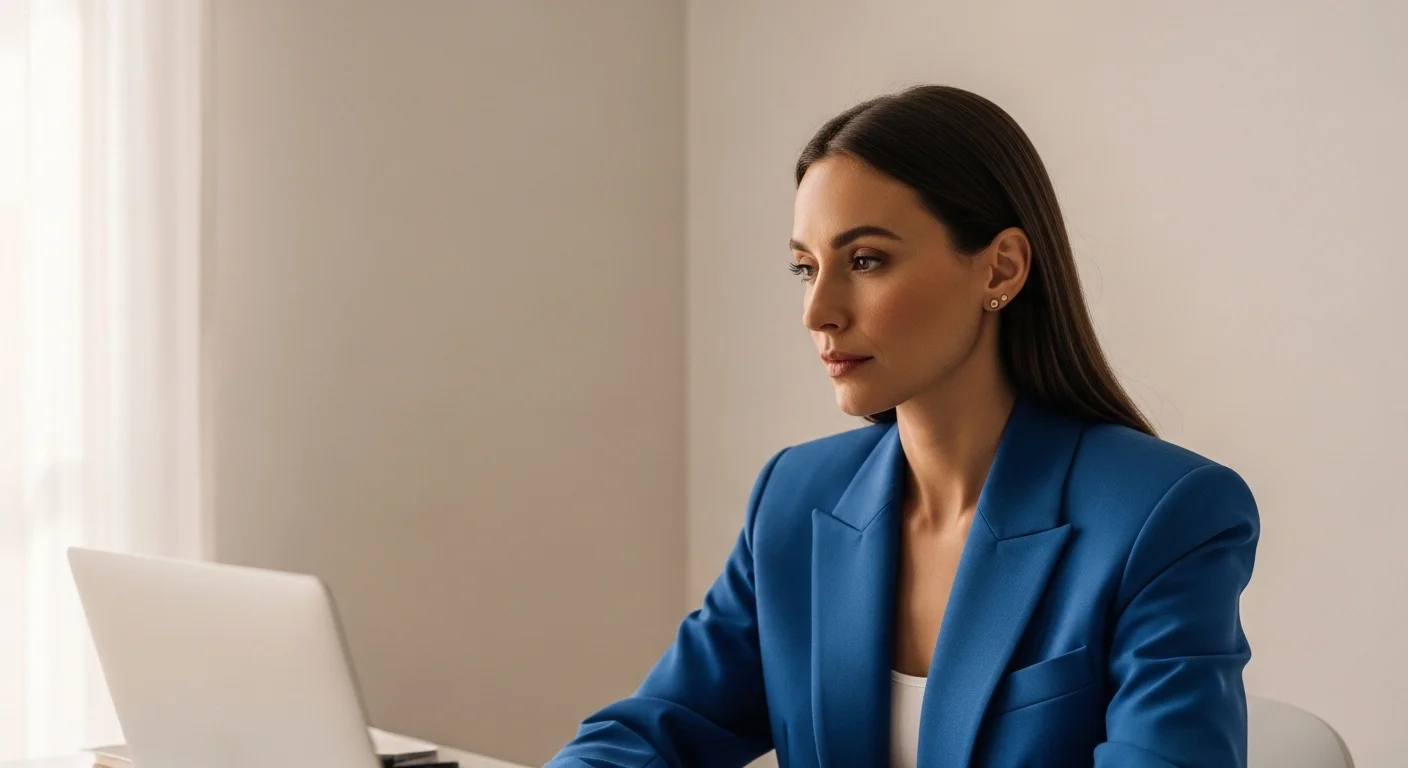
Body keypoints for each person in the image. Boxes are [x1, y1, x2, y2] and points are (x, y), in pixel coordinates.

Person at [546, 85, 1258, 768]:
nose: (817, 310)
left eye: (865, 261)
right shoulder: (797, 496)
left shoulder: (1164, 516)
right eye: (805, 268)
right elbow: (655, 733)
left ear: (1000, 269)